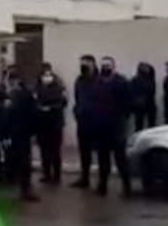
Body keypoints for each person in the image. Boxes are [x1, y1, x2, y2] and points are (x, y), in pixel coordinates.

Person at [96, 57, 134, 197]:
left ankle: (127, 186)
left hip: (117, 125)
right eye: (103, 65)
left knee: (120, 158)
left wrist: (123, 117)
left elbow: (128, 102)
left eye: (108, 65)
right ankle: (102, 185)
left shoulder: (121, 82)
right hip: (101, 126)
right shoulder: (98, 82)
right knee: (103, 158)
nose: (105, 68)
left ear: (113, 66)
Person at [5, 69, 39, 202]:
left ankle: (25, 188)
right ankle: (19, 184)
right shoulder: (13, 94)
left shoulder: (23, 95)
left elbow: (31, 114)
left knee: (23, 160)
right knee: (16, 159)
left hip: (21, 132)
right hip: (16, 132)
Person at [72, 55, 100, 190]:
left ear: (93, 64)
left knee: (101, 152)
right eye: (82, 63)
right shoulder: (79, 80)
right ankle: (84, 178)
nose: (83, 66)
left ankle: (102, 181)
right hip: (83, 120)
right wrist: (77, 111)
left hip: (97, 121)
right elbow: (77, 97)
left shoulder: (100, 80)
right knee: (84, 151)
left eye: (86, 63)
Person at [36, 63, 67, 185]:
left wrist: (50, 108)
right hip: (42, 124)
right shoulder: (38, 87)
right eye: (44, 74)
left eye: (48, 74)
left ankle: (56, 175)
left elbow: (63, 102)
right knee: (44, 151)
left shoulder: (58, 88)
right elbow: (34, 101)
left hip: (55, 123)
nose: (46, 77)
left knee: (55, 150)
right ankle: (46, 174)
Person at [130, 62, 157, 132]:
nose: (146, 70)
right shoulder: (136, 80)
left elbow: (152, 91)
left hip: (148, 104)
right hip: (140, 105)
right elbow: (132, 93)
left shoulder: (150, 79)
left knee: (150, 125)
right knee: (139, 124)